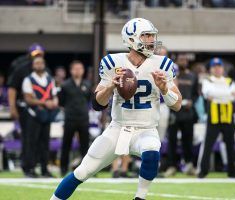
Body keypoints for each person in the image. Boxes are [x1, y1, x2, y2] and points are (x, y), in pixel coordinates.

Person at [50, 18, 182, 200]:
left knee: (152, 150)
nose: (151, 40)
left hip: (146, 129)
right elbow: (97, 104)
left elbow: (177, 104)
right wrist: (111, 87)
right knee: (82, 171)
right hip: (118, 129)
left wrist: (165, 89)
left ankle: (140, 198)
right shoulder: (113, 63)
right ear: (131, 39)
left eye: (152, 36)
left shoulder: (162, 64)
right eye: (146, 36)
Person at [197, 57, 235, 178]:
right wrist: (225, 95)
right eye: (214, 67)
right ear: (211, 69)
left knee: (230, 145)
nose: (217, 69)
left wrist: (217, 95)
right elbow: (208, 94)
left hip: (227, 117)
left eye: (219, 67)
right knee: (208, 145)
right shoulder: (207, 81)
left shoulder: (230, 81)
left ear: (222, 68)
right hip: (214, 117)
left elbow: (234, 96)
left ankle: (232, 172)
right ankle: (203, 171)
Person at [7, 43, 45, 174]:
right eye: (35, 54)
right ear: (29, 55)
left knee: (42, 139)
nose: (37, 56)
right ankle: (28, 167)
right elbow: (12, 88)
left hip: (43, 109)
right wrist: (12, 107)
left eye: (40, 54)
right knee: (29, 138)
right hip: (25, 108)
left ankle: (42, 168)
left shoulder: (45, 70)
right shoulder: (21, 69)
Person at [22, 56, 58, 177]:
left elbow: (54, 95)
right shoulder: (28, 79)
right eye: (37, 63)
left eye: (41, 63)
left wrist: (55, 102)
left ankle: (44, 169)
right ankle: (29, 169)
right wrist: (44, 103)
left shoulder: (49, 78)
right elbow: (28, 99)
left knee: (45, 143)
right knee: (32, 142)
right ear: (33, 66)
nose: (39, 65)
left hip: (46, 114)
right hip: (33, 114)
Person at [164, 53, 198, 177]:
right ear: (176, 61)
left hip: (188, 113)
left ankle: (189, 165)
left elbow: (196, 94)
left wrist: (192, 102)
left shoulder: (193, 76)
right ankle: (171, 166)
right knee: (172, 141)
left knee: (188, 140)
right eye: (181, 60)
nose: (183, 62)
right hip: (174, 112)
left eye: (185, 60)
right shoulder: (171, 75)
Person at [58, 60, 92, 176]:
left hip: (83, 118)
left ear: (83, 71)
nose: (78, 71)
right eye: (75, 68)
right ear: (71, 70)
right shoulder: (65, 85)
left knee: (85, 145)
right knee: (66, 144)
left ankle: (87, 169)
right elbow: (61, 102)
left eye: (80, 68)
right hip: (70, 118)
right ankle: (63, 168)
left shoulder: (87, 84)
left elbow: (89, 100)